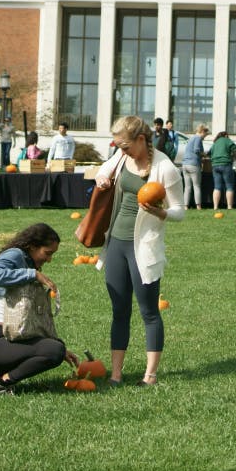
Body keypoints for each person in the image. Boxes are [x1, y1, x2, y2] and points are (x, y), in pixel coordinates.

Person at [94, 115, 184, 386]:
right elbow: (103, 170)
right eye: (119, 147)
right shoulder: (122, 158)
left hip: (143, 247)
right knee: (119, 310)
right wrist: (102, 179)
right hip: (116, 243)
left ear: (141, 139)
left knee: (149, 311)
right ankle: (116, 374)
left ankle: (150, 375)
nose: (122, 151)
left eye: (125, 146)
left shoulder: (165, 168)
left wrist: (160, 212)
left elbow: (180, 211)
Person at [0, 223, 80, 395]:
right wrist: (33, 274)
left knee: (57, 347)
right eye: (47, 253)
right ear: (32, 246)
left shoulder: (27, 261)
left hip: (8, 340)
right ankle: (2, 383)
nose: (49, 259)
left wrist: (55, 347)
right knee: (55, 350)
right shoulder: (15, 255)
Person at [180, 124, 210, 209]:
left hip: (185, 164)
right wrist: (204, 155)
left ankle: (185, 206)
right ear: (202, 131)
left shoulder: (191, 138)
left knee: (187, 187)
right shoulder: (198, 138)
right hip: (194, 164)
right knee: (196, 186)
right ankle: (198, 206)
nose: (205, 137)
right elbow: (196, 150)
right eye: (205, 134)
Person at [208, 131, 236, 210]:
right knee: (229, 186)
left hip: (215, 165)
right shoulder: (227, 140)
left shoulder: (215, 143)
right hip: (226, 164)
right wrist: (232, 157)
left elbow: (209, 154)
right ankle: (229, 206)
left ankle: (215, 207)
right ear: (226, 135)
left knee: (217, 186)